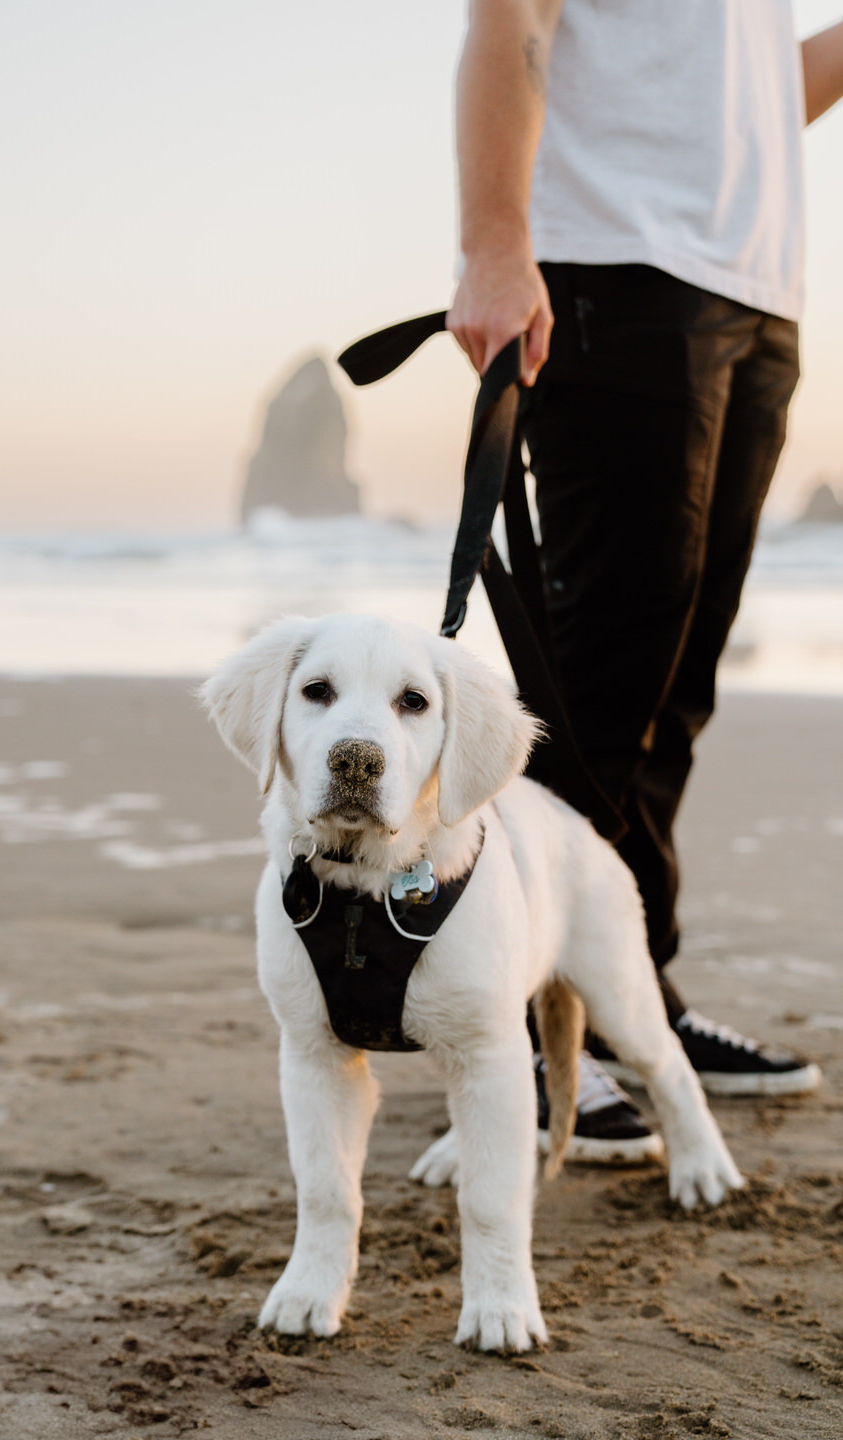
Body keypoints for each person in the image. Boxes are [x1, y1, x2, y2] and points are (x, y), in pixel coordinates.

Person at [447, 0, 843, 1159]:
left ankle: (631, 1005)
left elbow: (766, 103)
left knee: (674, 691)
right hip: (614, 272)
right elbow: (511, 19)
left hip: (754, 294)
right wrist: (493, 241)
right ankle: (515, 1029)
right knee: (599, 692)